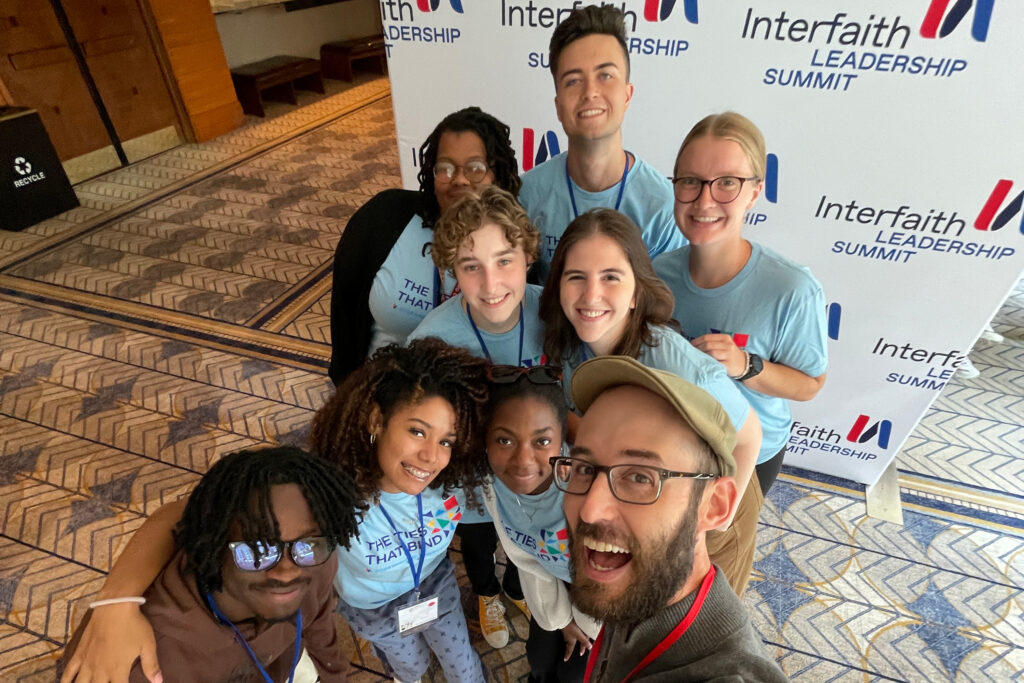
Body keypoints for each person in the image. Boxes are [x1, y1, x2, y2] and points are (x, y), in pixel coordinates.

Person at [60, 339, 492, 683]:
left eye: (448, 440)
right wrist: (117, 601)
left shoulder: (451, 483)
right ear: (377, 420)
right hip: (374, 612)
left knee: (463, 666)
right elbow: (186, 513)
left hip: (432, 590)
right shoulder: (323, 493)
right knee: (410, 665)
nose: (431, 455)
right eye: (417, 431)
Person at [538, 208, 763, 595]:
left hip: (712, 496)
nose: (591, 295)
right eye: (576, 277)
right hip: (643, 492)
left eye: (611, 278)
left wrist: (711, 523)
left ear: (636, 293)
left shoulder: (678, 365)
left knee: (693, 614)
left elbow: (749, 437)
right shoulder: (573, 346)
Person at [557, 356, 789, 681]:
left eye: (640, 477)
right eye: (584, 469)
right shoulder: (642, 585)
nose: (589, 509)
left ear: (714, 507)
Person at [60, 446, 361, 683]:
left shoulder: (315, 561)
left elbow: (320, 630)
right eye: (257, 550)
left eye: (307, 544)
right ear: (213, 543)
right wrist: (118, 601)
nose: (287, 571)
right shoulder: (142, 661)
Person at [653, 112, 828, 496]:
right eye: (690, 182)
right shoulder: (653, 276)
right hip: (671, 447)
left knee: (723, 555)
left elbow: (810, 385)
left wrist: (745, 365)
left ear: (755, 191)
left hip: (746, 458)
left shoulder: (792, 288)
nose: (704, 200)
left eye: (727, 183)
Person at [406, 185, 543, 648]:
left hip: (535, 469)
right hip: (470, 477)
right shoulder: (433, 339)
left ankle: (518, 588)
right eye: (471, 267)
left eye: (505, 260)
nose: (491, 284)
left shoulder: (557, 315)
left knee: (530, 536)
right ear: (452, 272)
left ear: (528, 255)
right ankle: (486, 591)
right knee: (480, 539)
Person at [329, 106, 521, 384]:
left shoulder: (513, 243)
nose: (459, 180)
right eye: (445, 168)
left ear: (498, 175)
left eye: (476, 168)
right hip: (376, 396)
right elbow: (344, 314)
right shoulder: (382, 219)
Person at [518, 4, 684, 281]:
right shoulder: (528, 197)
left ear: (627, 94)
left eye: (605, 76)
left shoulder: (663, 207)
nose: (590, 92)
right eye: (573, 81)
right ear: (558, 106)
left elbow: (665, 314)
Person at [478, 364, 598, 682]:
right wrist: (562, 621)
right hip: (546, 583)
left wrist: (581, 622)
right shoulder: (493, 483)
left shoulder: (589, 489)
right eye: (504, 440)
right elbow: (527, 558)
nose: (523, 460)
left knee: (575, 673)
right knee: (540, 659)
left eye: (542, 442)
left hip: (599, 597)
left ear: (563, 439)